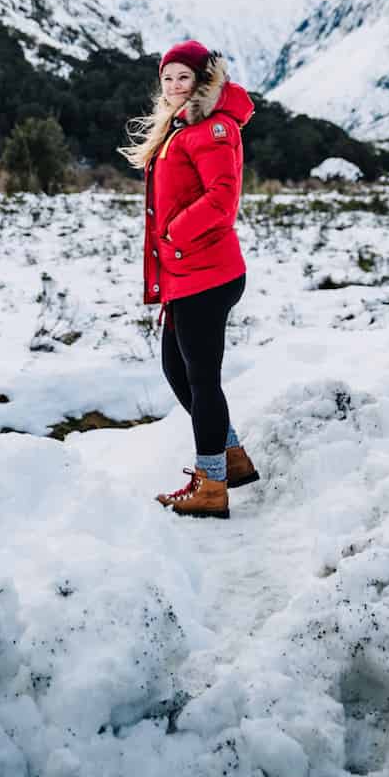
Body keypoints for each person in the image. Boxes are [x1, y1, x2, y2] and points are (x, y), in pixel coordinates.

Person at [121, 39, 259, 519]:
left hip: (206, 272)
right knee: (178, 371)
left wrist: (175, 234)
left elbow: (223, 199)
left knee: (201, 378)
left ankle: (210, 483)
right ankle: (231, 460)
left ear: (203, 81)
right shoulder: (181, 128)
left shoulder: (214, 129)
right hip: (188, 272)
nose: (176, 86)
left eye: (184, 77)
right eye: (168, 78)